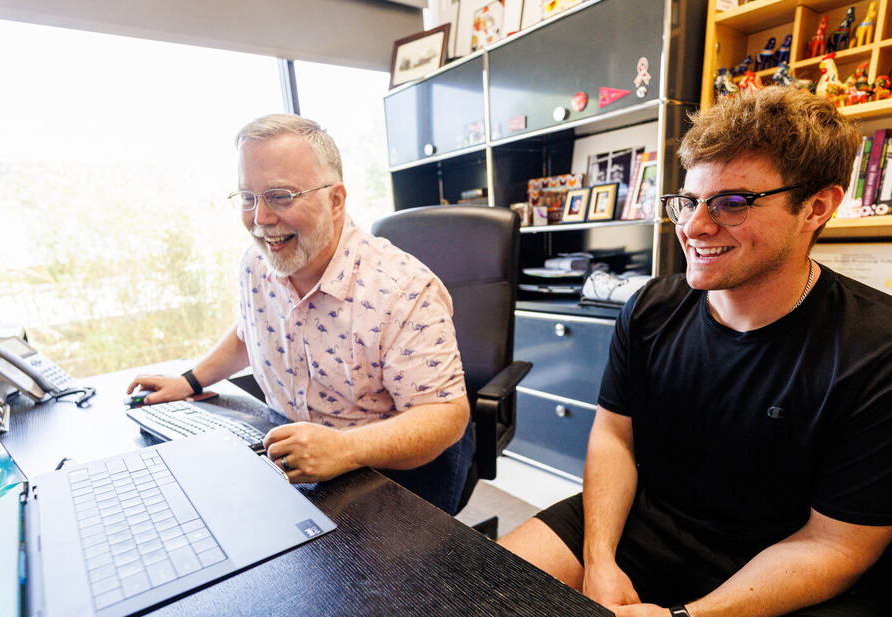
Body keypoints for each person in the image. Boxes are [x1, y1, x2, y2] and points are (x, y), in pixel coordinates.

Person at [499, 86, 892, 616]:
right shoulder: (650, 308)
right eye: (688, 201)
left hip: (785, 564)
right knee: (477, 593)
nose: (693, 226)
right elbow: (614, 436)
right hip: (648, 522)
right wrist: (599, 560)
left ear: (816, 208)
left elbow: (836, 545)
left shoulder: (875, 348)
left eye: (732, 203)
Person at [127, 114, 471, 515]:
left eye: (281, 196)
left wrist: (344, 448)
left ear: (335, 201)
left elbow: (446, 415)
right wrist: (188, 381)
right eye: (248, 198)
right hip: (295, 450)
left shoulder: (402, 289)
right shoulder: (257, 264)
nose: (260, 219)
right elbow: (249, 331)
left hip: (389, 465)